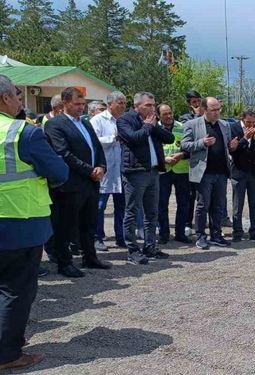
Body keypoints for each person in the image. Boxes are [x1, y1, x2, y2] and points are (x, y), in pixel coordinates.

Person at [0, 75, 68, 371]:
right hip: (20, 222)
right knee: (16, 289)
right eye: (16, 93)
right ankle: (7, 355)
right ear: (4, 98)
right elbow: (59, 172)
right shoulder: (23, 132)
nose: (19, 99)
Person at [44, 87, 111, 277]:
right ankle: (65, 263)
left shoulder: (86, 124)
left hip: (91, 183)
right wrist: (90, 170)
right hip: (70, 184)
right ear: (65, 103)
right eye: (77, 104)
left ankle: (90, 257)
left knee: (89, 223)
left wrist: (101, 166)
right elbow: (64, 153)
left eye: (83, 104)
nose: (81, 108)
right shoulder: (55, 125)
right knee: (65, 225)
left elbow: (97, 148)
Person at [117, 92, 175, 264]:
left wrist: (155, 125)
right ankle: (133, 250)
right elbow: (133, 139)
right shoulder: (125, 120)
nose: (152, 108)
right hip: (135, 172)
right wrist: (148, 127)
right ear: (137, 106)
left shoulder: (151, 122)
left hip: (153, 171)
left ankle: (150, 246)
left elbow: (169, 138)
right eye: (148, 105)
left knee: (152, 212)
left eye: (153, 105)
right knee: (132, 212)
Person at [181, 97, 233, 250]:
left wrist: (232, 146)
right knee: (203, 205)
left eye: (218, 109)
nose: (217, 112)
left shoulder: (224, 125)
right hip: (203, 173)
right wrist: (202, 143)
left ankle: (216, 234)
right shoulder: (192, 124)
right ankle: (200, 236)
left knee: (218, 205)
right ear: (204, 109)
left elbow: (227, 146)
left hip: (221, 172)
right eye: (213, 110)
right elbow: (184, 144)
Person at [91, 91, 127, 251]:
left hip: (122, 169)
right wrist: (113, 138)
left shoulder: (125, 120)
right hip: (104, 170)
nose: (123, 106)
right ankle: (97, 237)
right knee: (99, 206)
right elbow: (93, 142)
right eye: (120, 102)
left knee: (122, 206)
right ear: (110, 104)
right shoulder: (98, 120)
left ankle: (121, 236)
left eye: (124, 103)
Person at [230, 109, 255, 242]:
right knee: (237, 205)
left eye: (253, 123)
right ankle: (237, 232)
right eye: (248, 122)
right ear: (242, 119)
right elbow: (233, 150)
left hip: (254, 172)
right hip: (239, 171)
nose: (251, 126)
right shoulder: (233, 128)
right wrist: (245, 138)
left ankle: (254, 231)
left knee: (254, 204)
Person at [157, 103, 191, 244]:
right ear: (159, 115)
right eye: (165, 114)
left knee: (183, 203)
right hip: (163, 170)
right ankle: (164, 234)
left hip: (181, 170)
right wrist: (164, 159)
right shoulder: (155, 129)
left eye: (170, 112)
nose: (169, 116)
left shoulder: (182, 127)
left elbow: (190, 147)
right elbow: (151, 150)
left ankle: (180, 233)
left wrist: (182, 154)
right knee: (161, 204)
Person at [179, 90, 203, 235]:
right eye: (194, 102)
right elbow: (187, 133)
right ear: (189, 104)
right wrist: (197, 115)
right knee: (189, 195)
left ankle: (201, 222)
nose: (197, 104)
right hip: (188, 162)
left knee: (202, 194)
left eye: (198, 101)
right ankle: (187, 222)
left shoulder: (205, 115)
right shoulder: (184, 118)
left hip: (202, 161)